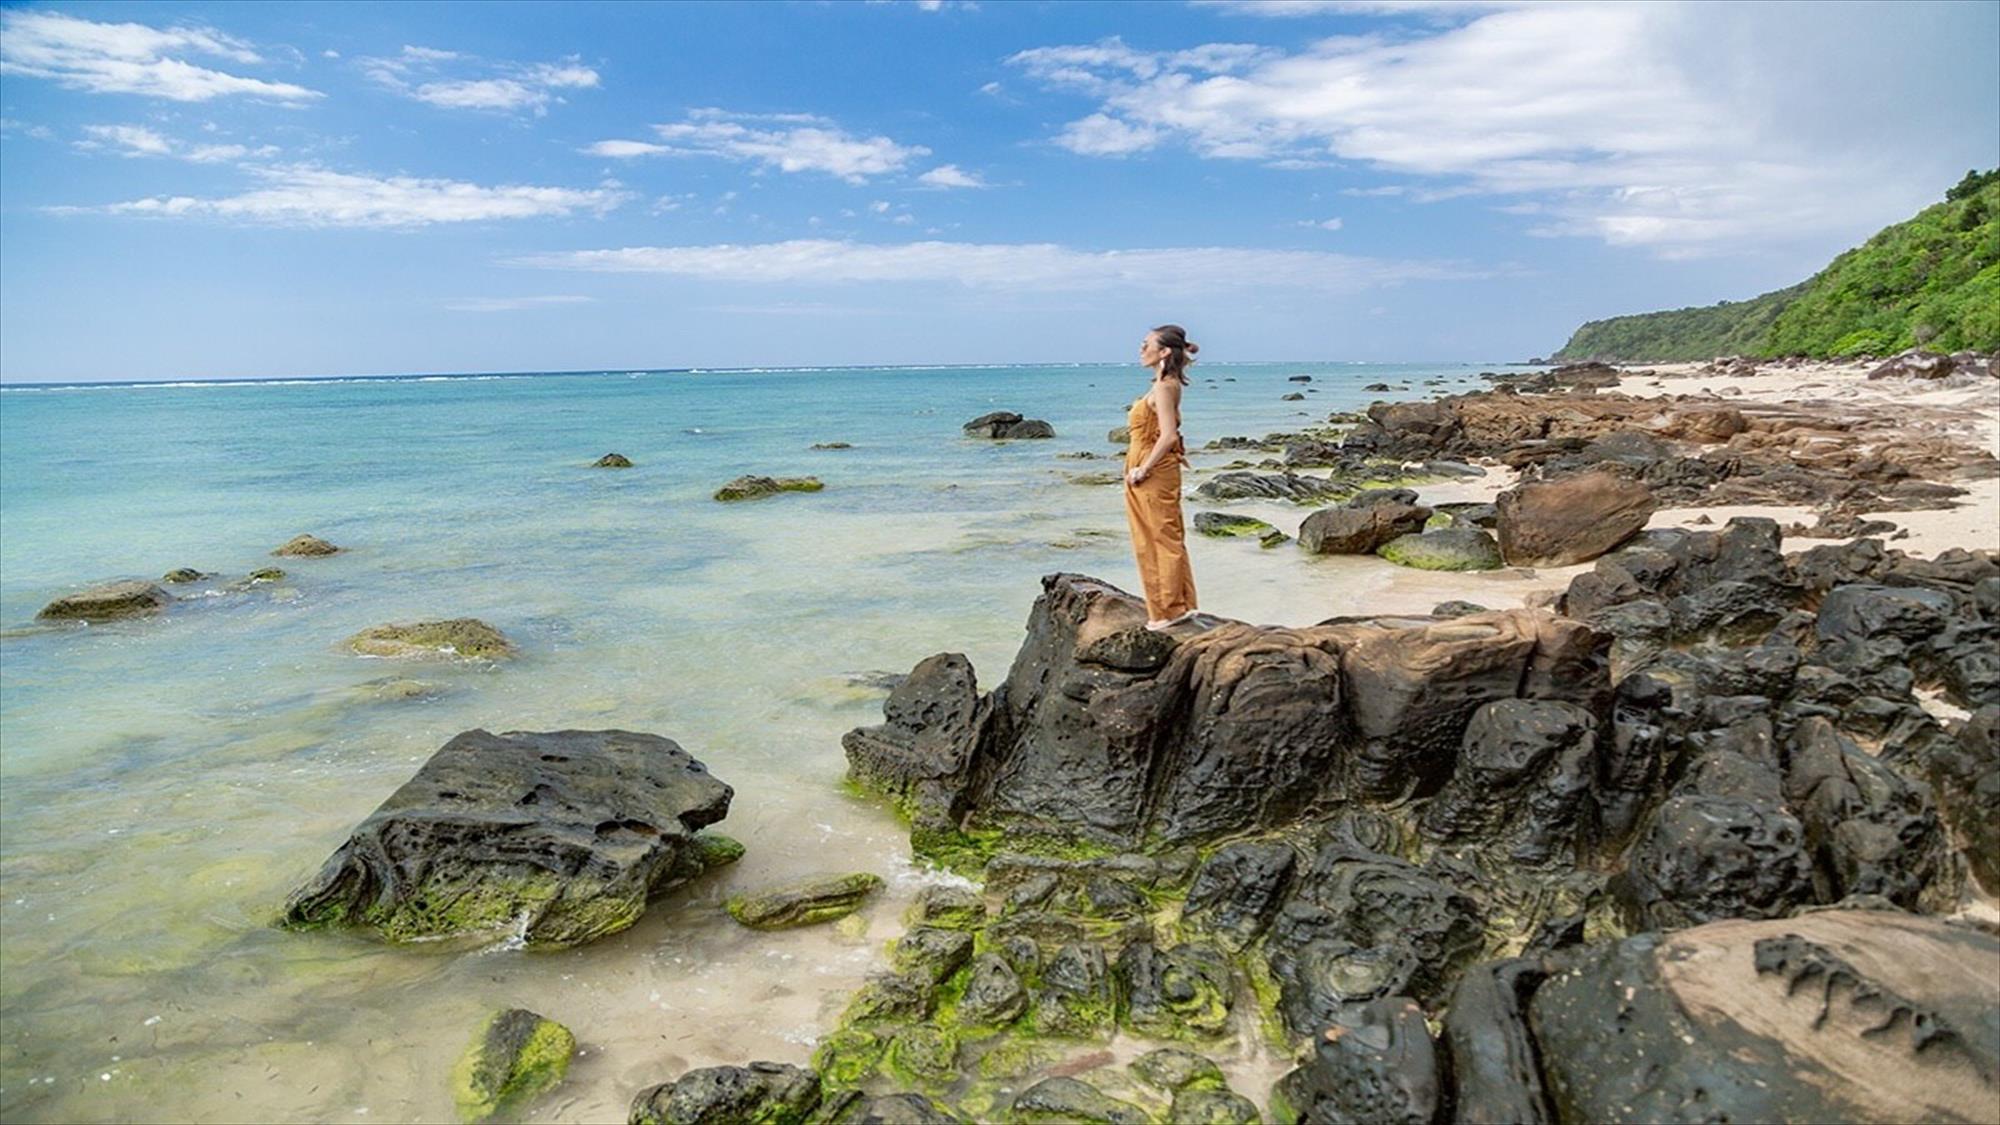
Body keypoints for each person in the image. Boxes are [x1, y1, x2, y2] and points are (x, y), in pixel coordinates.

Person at [1125, 324, 1201, 631]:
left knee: (1158, 539)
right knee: (1158, 537)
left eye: (1147, 344)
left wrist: (1144, 468)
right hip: (1145, 465)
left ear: (1164, 351)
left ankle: (1168, 611)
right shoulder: (1160, 383)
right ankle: (1177, 605)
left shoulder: (1165, 387)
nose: (1141, 349)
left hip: (1151, 470)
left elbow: (1168, 436)